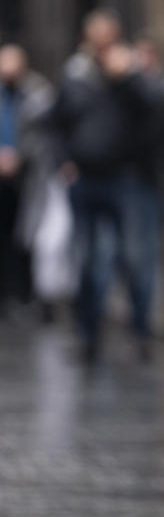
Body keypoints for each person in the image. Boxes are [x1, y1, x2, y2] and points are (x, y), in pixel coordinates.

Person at [50, 9, 159, 363]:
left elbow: (153, 113)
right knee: (88, 259)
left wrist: (126, 78)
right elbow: (55, 124)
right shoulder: (75, 76)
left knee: (134, 256)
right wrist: (63, 161)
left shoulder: (132, 73)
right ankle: (88, 334)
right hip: (85, 180)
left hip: (126, 179)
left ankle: (141, 331)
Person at [0, 44, 54, 315]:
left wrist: (19, 156)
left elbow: (43, 134)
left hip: (27, 176)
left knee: (26, 235)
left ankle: (26, 293)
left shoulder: (36, 94)